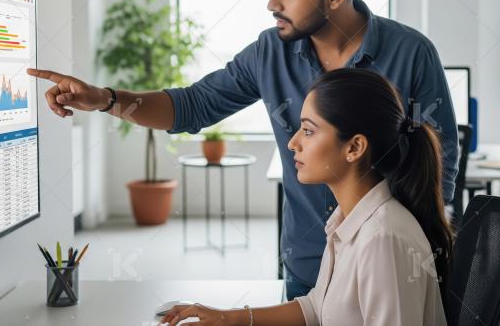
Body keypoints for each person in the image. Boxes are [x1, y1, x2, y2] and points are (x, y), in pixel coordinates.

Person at [27, 0, 458, 300]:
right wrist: (105, 99)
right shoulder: (270, 52)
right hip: (309, 268)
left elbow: (441, 164)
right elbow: (192, 106)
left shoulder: (411, 52)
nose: (273, 3)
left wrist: (403, 252)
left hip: (390, 266)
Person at [161, 68, 452, 325]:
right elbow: (317, 309)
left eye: (309, 131)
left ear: (354, 148)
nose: (293, 143)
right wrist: (228, 318)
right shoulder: (347, 219)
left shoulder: (382, 239)